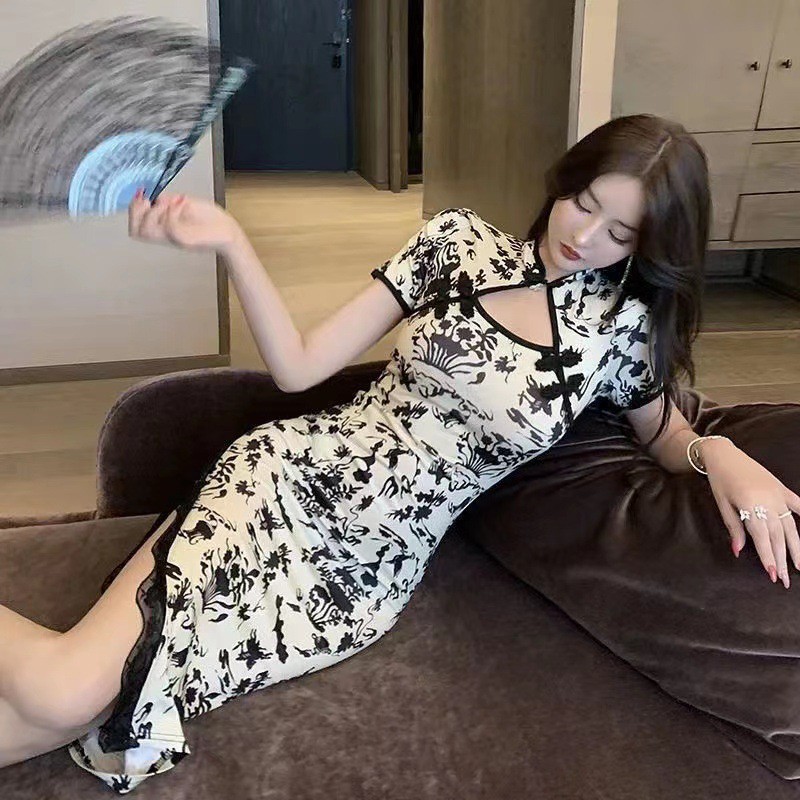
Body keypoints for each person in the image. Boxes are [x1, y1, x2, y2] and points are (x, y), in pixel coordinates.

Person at [1, 114, 798, 792]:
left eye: (619, 232)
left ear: (651, 245)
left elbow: (665, 434)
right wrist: (234, 244)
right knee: (65, 692)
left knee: (64, 712)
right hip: (283, 483)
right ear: (564, 182)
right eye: (582, 203)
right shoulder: (457, 244)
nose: (583, 236)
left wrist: (721, 455)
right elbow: (300, 368)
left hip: (365, 576)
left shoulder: (622, 335)